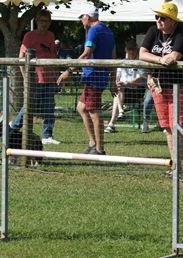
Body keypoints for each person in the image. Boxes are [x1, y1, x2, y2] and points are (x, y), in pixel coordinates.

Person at [139, 1, 183, 175]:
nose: (158, 20)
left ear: (173, 20)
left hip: (181, 85)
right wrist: (159, 61)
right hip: (159, 85)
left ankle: (178, 165)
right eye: (157, 17)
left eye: (163, 18)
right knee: (167, 127)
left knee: (177, 125)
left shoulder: (182, 32)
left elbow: (175, 56)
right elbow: (142, 54)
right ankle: (175, 165)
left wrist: (159, 59)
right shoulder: (153, 31)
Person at [57, 3, 116, 155]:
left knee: (94, 111)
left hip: (94, 77)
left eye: (81, 17)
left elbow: (86, 53)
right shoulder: (108, 31)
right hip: (99, 76)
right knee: (81, 108)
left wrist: (68, 71)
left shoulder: (93, 30)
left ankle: (99, 149)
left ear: (87, 17)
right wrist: (112, 79)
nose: (81, 21)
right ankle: (92, 143)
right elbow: (114, 56)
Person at [9, 10, 60, 145]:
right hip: (35, 78)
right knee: (29, 106)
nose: (44, 24)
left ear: (49, 22)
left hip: (49, 78)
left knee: (49, 107)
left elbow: (53, 56)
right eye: (41, 21)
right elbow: (21, 57)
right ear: (37, 21)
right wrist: (25, 76)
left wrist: (55, 75)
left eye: (46, 21)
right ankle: (14, 125)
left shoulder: (50, 35)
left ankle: (47, 135)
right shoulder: (29, 36)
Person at [105, 39, 146, 133]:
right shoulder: (122, 62)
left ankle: (114, 120)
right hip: (123, 92)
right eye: (129, 49)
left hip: (137, 91)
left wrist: (127, 83)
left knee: (118, 93)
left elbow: (141, 78)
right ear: (126, 50)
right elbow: (117, 77)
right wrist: (117, 82)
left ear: (137, 49)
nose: (131, 51)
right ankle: (119, 114)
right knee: (118, 90)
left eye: (132, 49)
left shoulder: (141, 62)